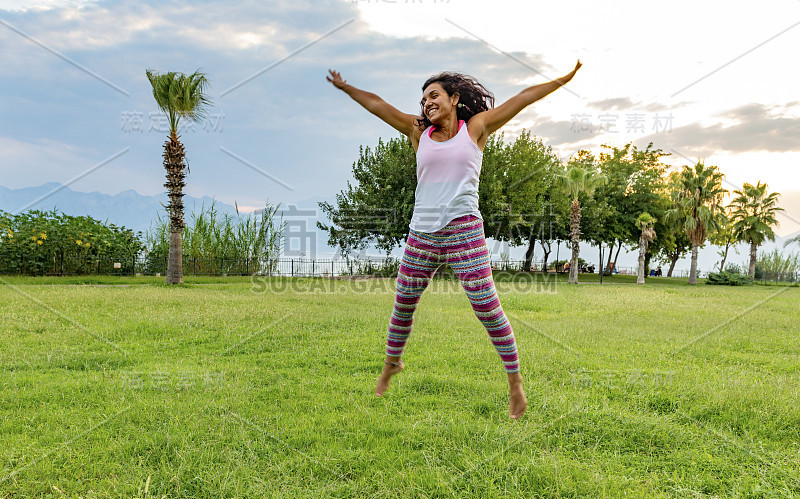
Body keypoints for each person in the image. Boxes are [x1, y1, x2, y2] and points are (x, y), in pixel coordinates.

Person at [327, 61, 582, 420]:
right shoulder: (418, 132)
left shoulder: (475, 129)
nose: (427, 103)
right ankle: (392, 363)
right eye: (423, 99)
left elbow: (523, 98)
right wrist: (347, 88)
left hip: (464, 229)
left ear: (454, 98)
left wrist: (564, 79)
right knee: (403, 304)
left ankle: (515, 384)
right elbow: (378, 105)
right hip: (422, 232)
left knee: (486, 307)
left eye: (434, 95)